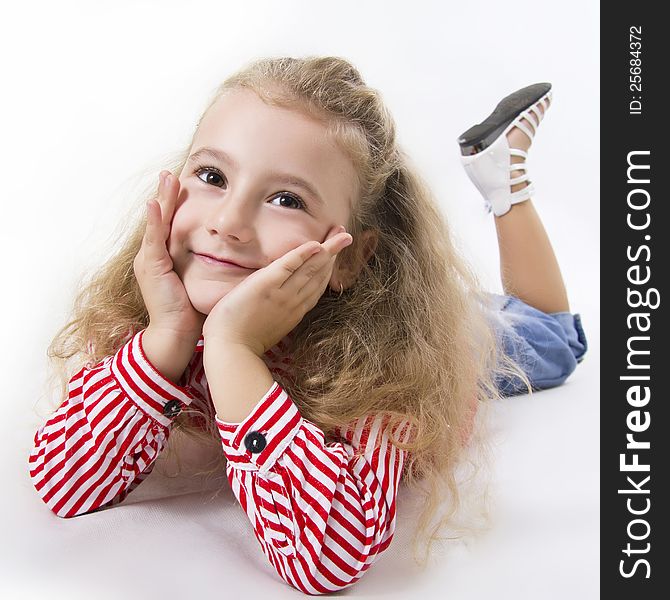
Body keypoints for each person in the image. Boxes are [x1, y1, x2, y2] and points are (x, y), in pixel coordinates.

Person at [27, 56, 587, 594]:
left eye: (284, 198)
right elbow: (63, 484)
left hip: (450, 334)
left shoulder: (383, 361)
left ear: (347, 257)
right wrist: (169, 336)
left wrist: (233, 350)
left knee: (554, 341)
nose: (227, 223)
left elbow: (327, 559)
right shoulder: (156, 306)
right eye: (212, 174)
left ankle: (504, 181)